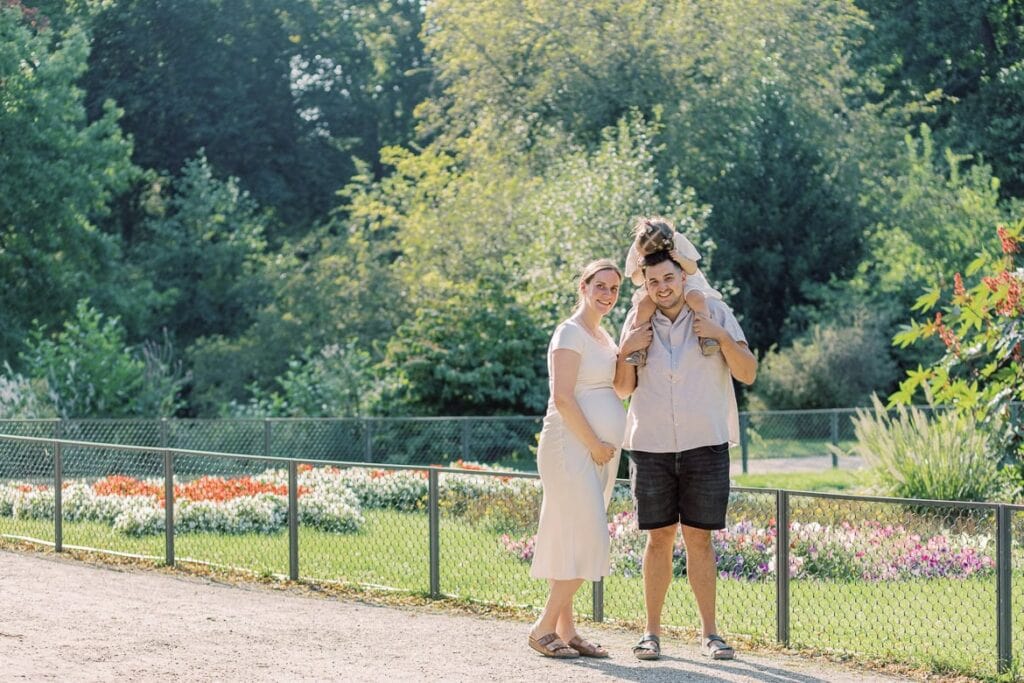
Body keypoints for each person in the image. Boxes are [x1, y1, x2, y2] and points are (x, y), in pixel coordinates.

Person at [613, 245, 757, 662]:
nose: (662, 287)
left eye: (669, 279)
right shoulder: (637, 318)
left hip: (705, 443)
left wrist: (721, 336)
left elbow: (747, 372)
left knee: (700, 541)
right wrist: (628, 347)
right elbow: (623, 388)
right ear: (645, 283)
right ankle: (650, 634)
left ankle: (710, 634)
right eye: (653, 281)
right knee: (658, 541)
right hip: (651, 444)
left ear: (684, 277)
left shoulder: (713, 311)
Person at [528, 259, 628, 660]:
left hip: (598, 450)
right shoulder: (568, 332)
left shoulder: (604, 337)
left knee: (569, 535)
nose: (607, 295)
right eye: (600, 286)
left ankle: (567, 632)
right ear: (583, 287)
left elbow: (618, 390)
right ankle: (542, 626)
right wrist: (595, 444)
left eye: (614, 289)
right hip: (571, 446)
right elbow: (564, 397)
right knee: (590, 537)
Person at [622, 216, 724, 364]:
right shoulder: (640, 245)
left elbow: (692, 269)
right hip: (654, 284)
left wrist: (680, 258)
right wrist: (639, 266)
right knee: (643, 308)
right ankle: (639, 350)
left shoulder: (677, 240)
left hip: (683, 279)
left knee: (697, 298)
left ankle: (706, 338)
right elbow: (636, 281)